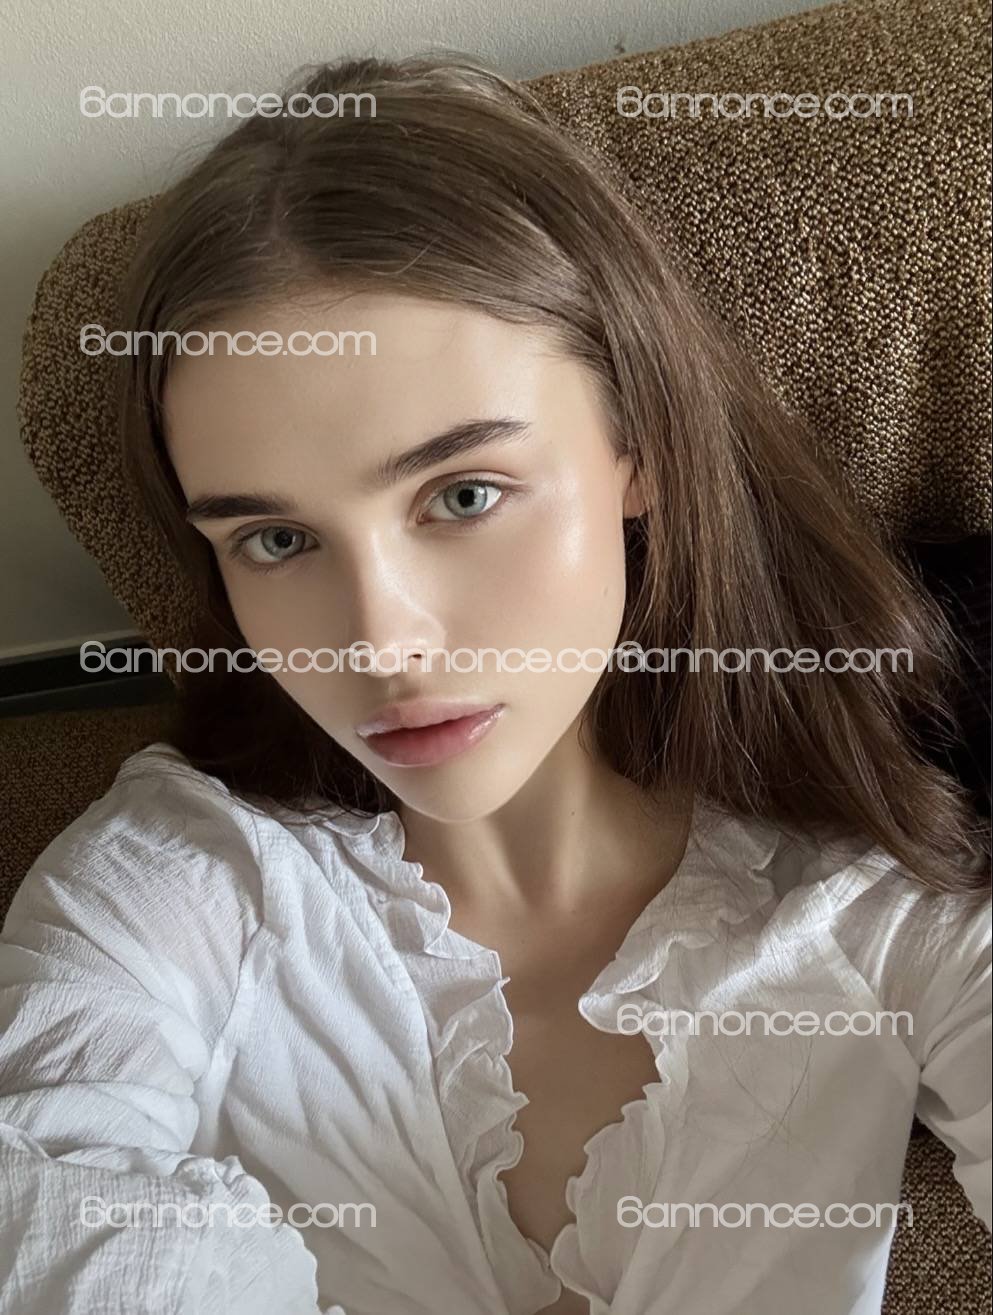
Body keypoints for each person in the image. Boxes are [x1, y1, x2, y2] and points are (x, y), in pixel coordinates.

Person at [0, 54, 989, 1315]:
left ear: (639, 448)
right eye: (277, 539)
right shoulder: (174, 890)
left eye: (463, 495)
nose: (381, 643)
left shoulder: (877, 912)